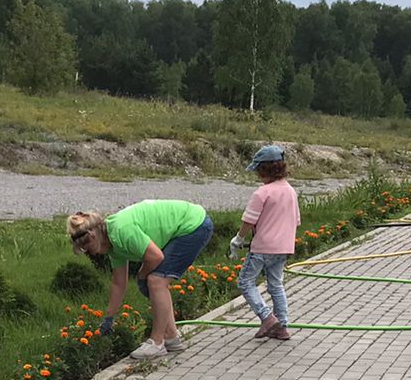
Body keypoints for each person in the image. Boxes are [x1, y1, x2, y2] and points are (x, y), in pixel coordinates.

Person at [67, 199, 214, 360]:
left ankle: (157, 343)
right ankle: (171, 337)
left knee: (156, 281)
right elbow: (118, 283)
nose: (89, 253)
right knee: (156, 282)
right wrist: (109, 317)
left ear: (93, 236)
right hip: (187, 224)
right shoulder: (112, 244)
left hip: (193, 225)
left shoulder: (122, 231)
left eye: (88, 248)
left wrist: (142, 274)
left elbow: (156, 257)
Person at [229, 144, 300, 340]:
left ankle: (267, 317)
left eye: (259, 171)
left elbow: (248, 221)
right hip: (284, 248)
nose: (258, 176)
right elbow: (297, 221)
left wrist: (238, 239)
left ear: (265, 170)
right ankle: (281, 326)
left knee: (245, 282)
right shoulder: (291, 192)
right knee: (276, 285)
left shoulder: (262, 193)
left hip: (262, 247)